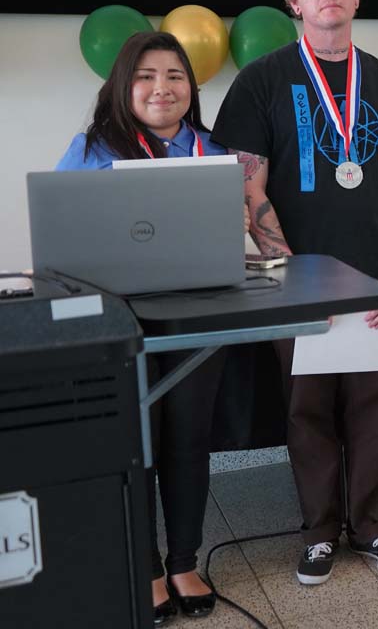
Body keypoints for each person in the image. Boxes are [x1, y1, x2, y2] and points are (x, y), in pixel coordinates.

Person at [211, 0, 378, 584]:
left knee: (375, 407)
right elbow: (248, 189)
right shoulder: (262, 80)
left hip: (377, 280)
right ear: (294, 1)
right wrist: (295, 281)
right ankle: (318, 533)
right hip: (297, 285)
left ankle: (372, 526)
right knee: (307, 410)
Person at [57, 31, 228, 624]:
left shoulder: (212, 149)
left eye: (176, 75)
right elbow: (59, 241)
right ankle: (146, 565)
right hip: (119, 324)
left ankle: (184, 561)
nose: (162, 87)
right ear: (123, 85)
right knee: (137, 445)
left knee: (190, 440)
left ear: (191, 87)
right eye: (146, 76)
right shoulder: (91, 149)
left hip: (199, 320)